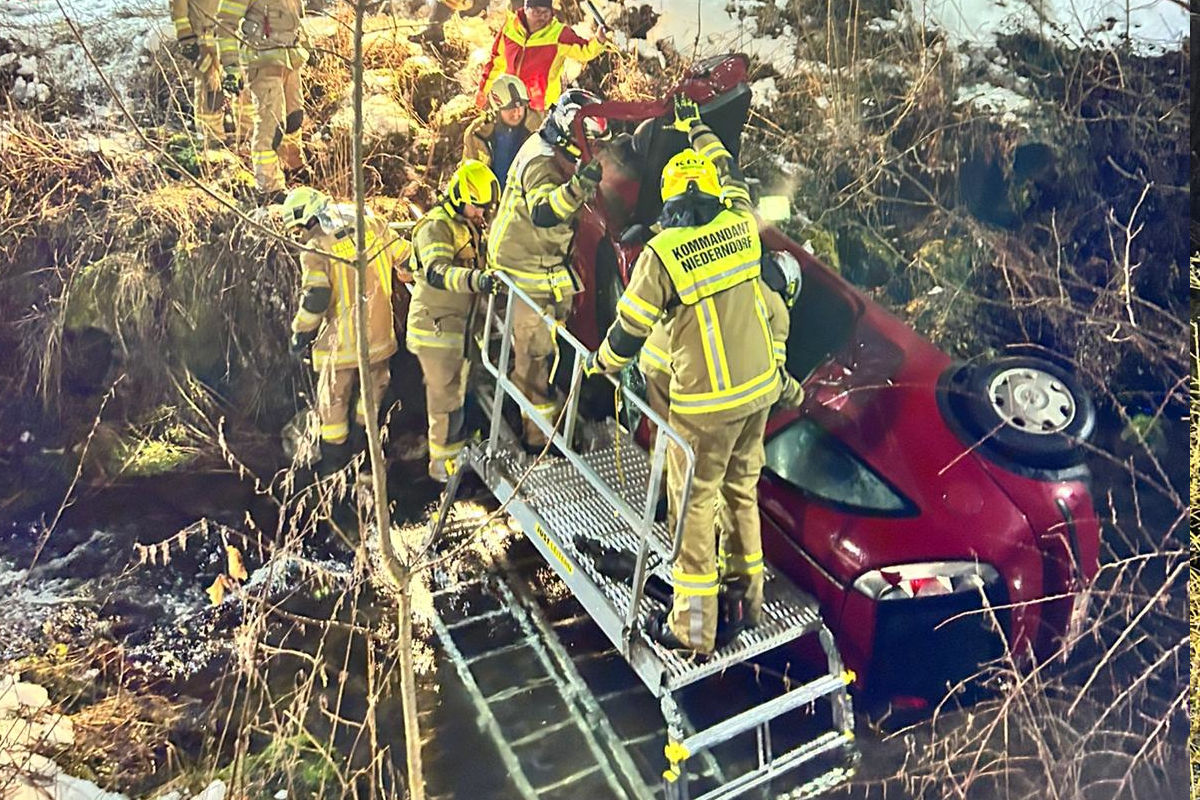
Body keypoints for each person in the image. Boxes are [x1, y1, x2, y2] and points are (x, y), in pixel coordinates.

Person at [584, 95, 780, 655]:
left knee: (694, 501)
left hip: (706, 406)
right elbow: (728, 169)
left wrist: (602, 368)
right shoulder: (742, 224)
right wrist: (696, 127)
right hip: (759, 391)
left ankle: (693, 629)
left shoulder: (664, 252)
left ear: (670, 200)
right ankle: (748, 596)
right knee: (741, 490)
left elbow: (629, 329)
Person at [488, 87, 607, 449]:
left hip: (538, 266)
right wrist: (579, 187)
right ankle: (538, 439)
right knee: (536, 356)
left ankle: (534, 412)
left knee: (541, 352)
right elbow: (543, 212)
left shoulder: (548, 144)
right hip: (525, 271)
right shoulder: (542, 161)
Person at [284, 187, 410, 474]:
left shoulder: (316, 246)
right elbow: (406, 257)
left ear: (308, 218)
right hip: (379, 338)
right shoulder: (371, 221)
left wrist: (299, 334)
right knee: (372, 399)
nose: (299, 235)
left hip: (339, 344)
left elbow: (316, 297)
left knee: (333, 404)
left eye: (298, 228)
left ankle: (334, 469)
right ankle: (365, 461)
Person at [406, 160, 502, 482]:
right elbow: (437, 272)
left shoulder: (466, 226)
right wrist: (477, 280)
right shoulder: (437, 227)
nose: (481, 213)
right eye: (477, 206)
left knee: (457, 393)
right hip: (435, 327)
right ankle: (442, 471)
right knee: (444, 400)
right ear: (460, 195)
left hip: (457, 328)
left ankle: (458, 454)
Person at [215, 0, 309, 204]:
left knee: (294, 118)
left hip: (290, 58)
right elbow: (225, 23)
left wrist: (308, 47)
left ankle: (294, 167)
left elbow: (295, 20)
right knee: (271, 126)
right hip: (262, 61)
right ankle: (268, 188)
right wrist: (230, 67)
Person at [476, 0, 609, 112]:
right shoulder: (510, 28)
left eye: (545, 13)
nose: (541, 18)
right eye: (536, 12)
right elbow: (496, 62)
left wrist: (599, 40)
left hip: (541, 108)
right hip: (509, 103)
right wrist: (483, 90)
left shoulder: (558, 34)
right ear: (526, 9)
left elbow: (584, 50)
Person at [463, 74, 544, 191]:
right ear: (496, 109)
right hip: (491, 202)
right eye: (509, 108)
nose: (516, 113)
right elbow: (468, 174)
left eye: (520, 107)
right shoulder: (476, 134)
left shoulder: (540, 128)